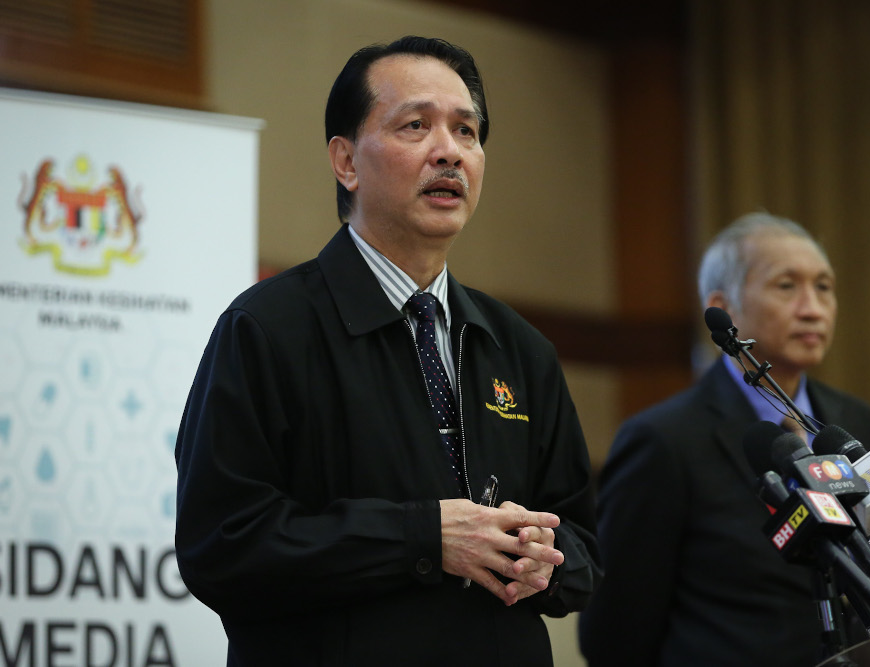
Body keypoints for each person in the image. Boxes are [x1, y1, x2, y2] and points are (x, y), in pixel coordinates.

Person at [174, 36, 600, 666]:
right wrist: (421, 537)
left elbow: (587, 549)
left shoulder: (521, 347)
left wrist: (548, 556)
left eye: (467, 131)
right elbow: (223, 545)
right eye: (416, 126)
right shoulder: (267, 327)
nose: (449, 152)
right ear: (345, 161)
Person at [578, 212, 870, 666]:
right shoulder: (664, 440)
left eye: (824, 286)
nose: (813, 308)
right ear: (725, 306)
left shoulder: (857, 424)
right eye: (787, 286)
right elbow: (615, 633)